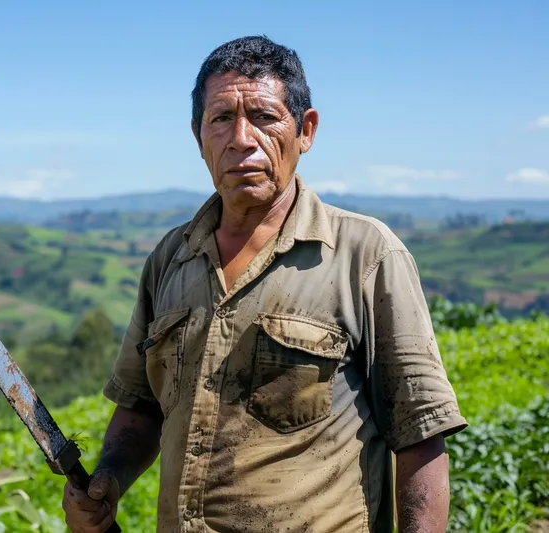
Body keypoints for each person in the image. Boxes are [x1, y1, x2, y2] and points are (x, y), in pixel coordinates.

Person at [62, 35, 468, 533]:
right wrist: (107, 479)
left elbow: (420, 435)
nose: (241, 138)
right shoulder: (171, 259)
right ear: (198, 135)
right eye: (221, 119)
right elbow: (140, 409)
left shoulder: (366, 255)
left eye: (264, 116)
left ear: (306, 129)